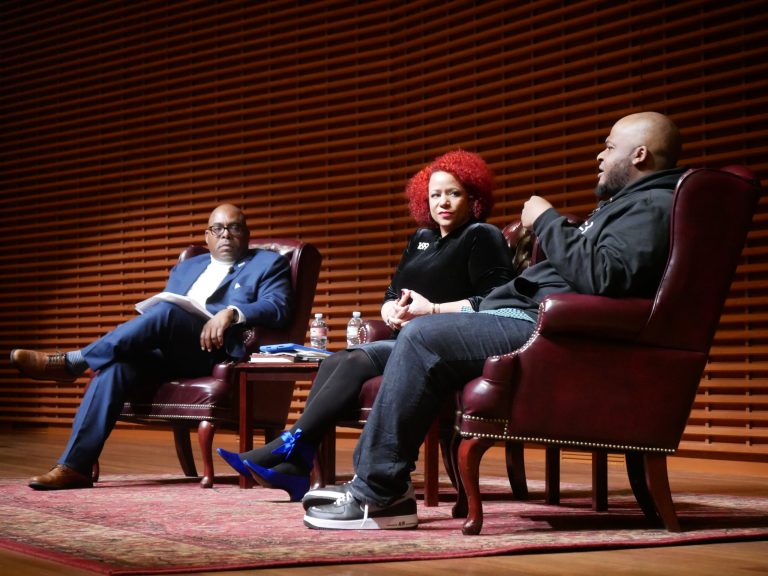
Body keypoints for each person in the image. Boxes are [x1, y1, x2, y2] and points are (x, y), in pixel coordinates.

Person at [302, 111, 686, 530]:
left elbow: (604, 277)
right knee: (375, 350)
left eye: (609, 147)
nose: (599, 155)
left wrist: (546, 220)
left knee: (424, 335)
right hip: (518, 318)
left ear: (640, 154)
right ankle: (353, 475)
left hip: (541, 327)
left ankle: (379, 493)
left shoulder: (652, 204)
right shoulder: (627, 204)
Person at [216, 149, 514, 501]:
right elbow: (392, 291)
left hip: (449, 347)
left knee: (355, 359)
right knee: (335, 361)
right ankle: (297, 460)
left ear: (473, 197)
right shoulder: (421, 239)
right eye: (435, 194)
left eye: (453, 193)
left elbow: (496, 303)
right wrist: (390, 310)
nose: (443, 202)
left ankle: (290, 448)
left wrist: (432, 310)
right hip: (408, 340)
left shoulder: (482, 235)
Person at [10, 203, 293, 490]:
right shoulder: (188, 266)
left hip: (213, 351)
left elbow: (277, 306)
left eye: (234, 228)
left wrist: (231, 312)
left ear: (246, 234)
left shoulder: (267, 263)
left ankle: (75, 362)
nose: (225, 235)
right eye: (217, 229)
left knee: (168, 313)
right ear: (207, 236)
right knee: (115, 366)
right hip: (168, 347)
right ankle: (75, 467)